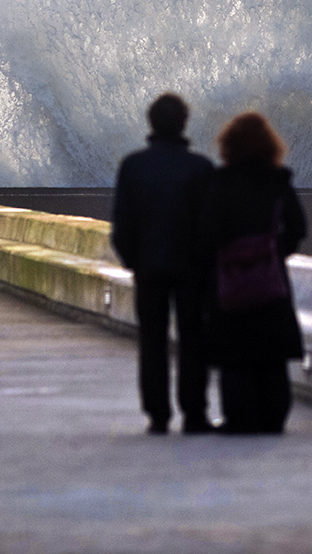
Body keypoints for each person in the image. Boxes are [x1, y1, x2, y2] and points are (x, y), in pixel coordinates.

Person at [111, 93, 216, 435]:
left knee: (152, 340)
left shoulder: (133, 166)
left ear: (150, 122)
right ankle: (195, 413)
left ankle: (158, 415)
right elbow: (209, 226)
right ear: (184, 123)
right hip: (191, 270)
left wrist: (134, 262)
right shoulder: (200, 168)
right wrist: (204, 263)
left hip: (149, 267)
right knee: (194, 339)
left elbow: (122, 225)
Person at [199, 111, 306, 434]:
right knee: (272, 354)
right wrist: (273, 254)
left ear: (228, 145)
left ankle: (239, 419)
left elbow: (205, 232)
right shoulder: (278, 180)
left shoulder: (220, 182)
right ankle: (273, 419)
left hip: (230, 279)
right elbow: (298, 228)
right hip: (269, 280)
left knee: (235, 352)